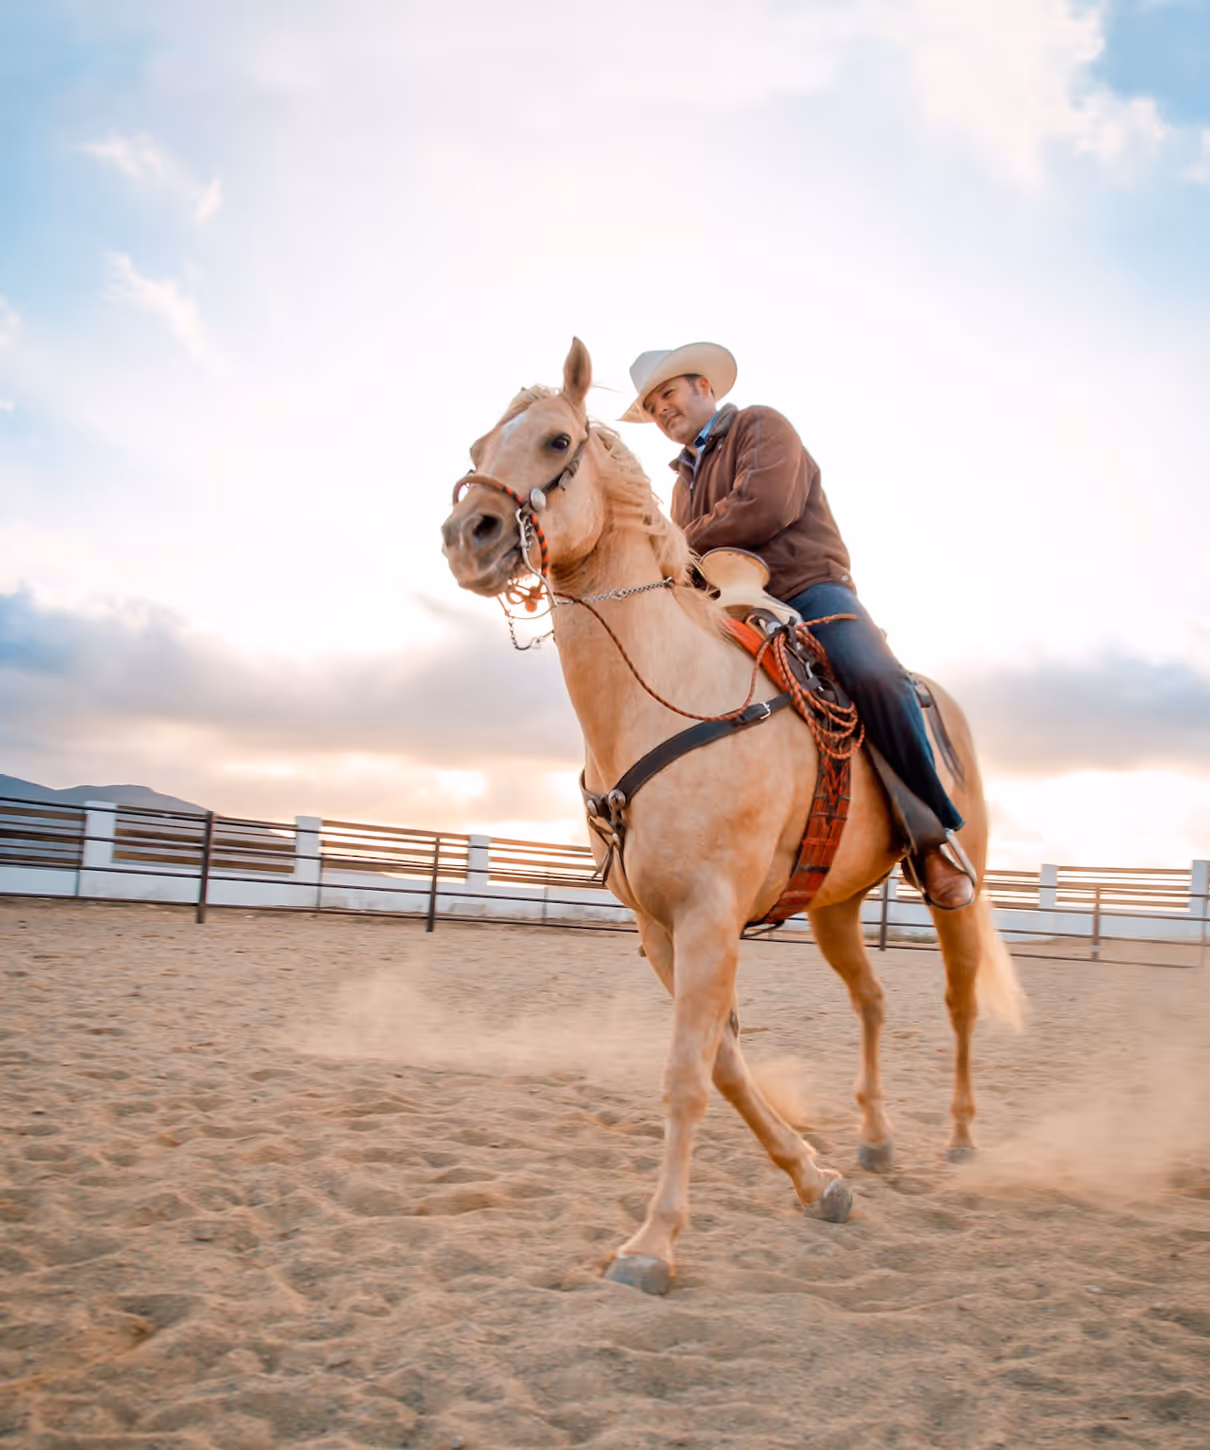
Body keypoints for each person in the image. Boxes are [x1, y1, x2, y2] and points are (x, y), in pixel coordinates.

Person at [621, 342, 975, 910]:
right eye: (652, 404)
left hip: (807, 590)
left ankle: (932, 839)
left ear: (704, 388)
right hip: (726, 602)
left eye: (668, 393)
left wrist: (674, 545)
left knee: (875, 676)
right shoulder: (682, 482)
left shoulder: (762, 425)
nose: (662, 409)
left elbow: (764, 506)